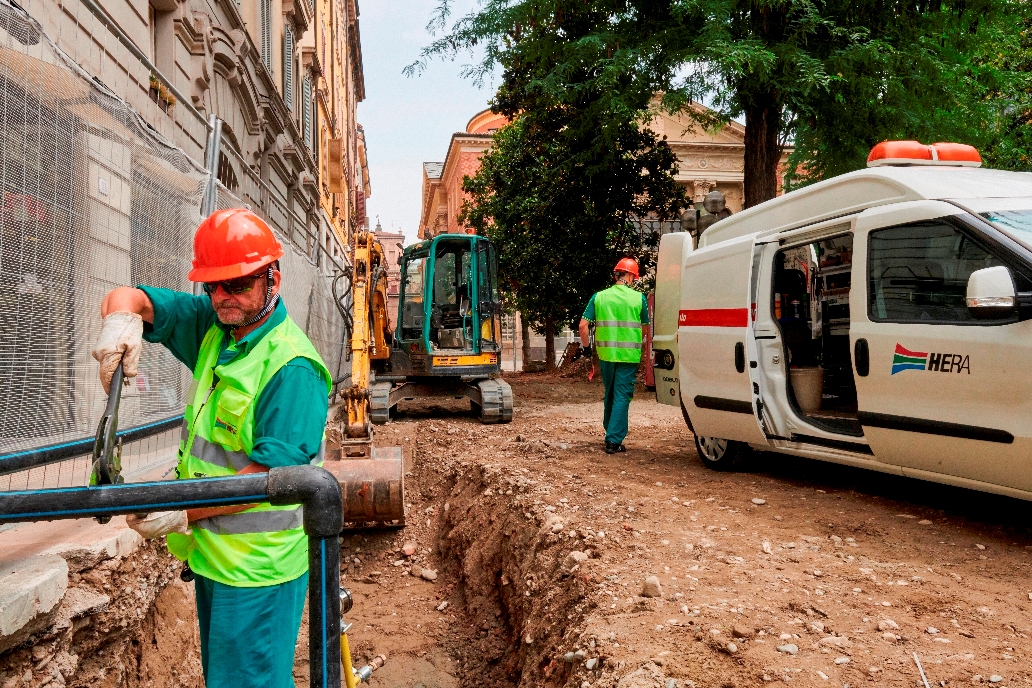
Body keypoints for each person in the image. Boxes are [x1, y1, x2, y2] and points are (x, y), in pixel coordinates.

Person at [91, 208, 330, 688]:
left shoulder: (292, 368)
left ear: (272, 279)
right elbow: (133, 297)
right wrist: (120, 319)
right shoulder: (217, 327)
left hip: (257, 573)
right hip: (213, 560)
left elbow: (271, 481)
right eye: (212, 286)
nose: (223, 297)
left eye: (237, 284)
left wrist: (179, 508)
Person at [578, 258, 649, 454]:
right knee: (622, 395)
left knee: (610, 391)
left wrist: (587, 349)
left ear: (616, 274)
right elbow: (644, 328)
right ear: (631, 276)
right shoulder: (639, 298)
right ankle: (613, 440)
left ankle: (610, 429)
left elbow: (583, 325)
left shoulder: (599, 297)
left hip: (606, 355)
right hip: (628, 356)